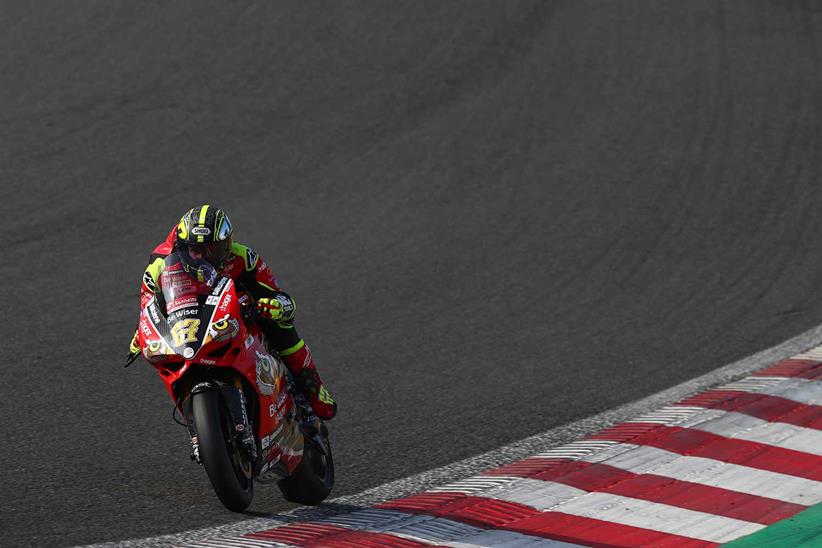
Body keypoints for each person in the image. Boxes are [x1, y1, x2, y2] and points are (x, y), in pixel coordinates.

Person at [127, 205, 336, 420]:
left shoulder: (243, 257)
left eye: (211, 249)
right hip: (191, 324)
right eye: (194, 249)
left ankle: (314, 389)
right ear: (182, 245)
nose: (202, 257)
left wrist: (274, 306)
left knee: (279, 327)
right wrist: (141, 329)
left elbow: (282, 298)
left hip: (235, 314)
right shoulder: (160, 264)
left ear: (226, 246)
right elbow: (148, 302)